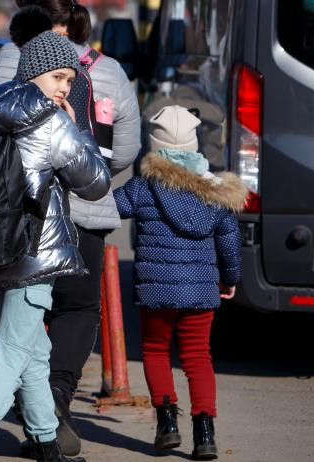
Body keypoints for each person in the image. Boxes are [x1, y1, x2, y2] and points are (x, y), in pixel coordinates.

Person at [0, 1, 142, 455]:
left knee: (34, 355)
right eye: (58, 77)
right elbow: (95, 181)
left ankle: (46, 440)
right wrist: (73, 124)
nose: (66, 86)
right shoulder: (48, 120)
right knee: (11, 354)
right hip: (37, 251)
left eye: (69, 79)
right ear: (35, 74)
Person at [112, 105, 245, 460]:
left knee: (156, 352)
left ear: (154, 146)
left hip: (156, 289)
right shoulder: (215, 192)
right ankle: (205, 434)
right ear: (194, 143)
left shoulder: (143, 187)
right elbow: (229, 244)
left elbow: (109, 208)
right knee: (198, 357)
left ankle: (167, 424)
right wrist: (230, 279)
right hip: (201, 290)